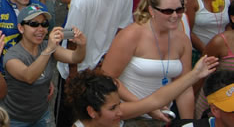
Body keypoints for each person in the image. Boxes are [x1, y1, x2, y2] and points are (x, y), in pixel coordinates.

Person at [101, 0, 195, 119]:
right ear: (152, 11)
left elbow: (184, 86)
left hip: (163, 116)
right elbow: (107, 77)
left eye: (179, 10)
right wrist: (145, 107)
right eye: (168, 11)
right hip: (128, 115)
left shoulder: (183, 40)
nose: (175, 15)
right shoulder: (131, 35)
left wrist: (187, 123)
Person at [64, 56, 218, 127]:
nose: (120, 112)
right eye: (112, 108)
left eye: (118, 104)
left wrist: (195, 74)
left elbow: (156, 100)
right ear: (91, 111)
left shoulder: (113, 115)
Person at [2, 6, 86, 127]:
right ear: (21, 28)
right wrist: (49, 49)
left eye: (44, 24)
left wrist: (82, 45)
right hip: (15, 119)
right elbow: (29, 76)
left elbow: (75, 58)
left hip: (41, 115)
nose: (40, 29)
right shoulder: (12, 55)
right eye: (34, 24)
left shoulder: (46, 46)